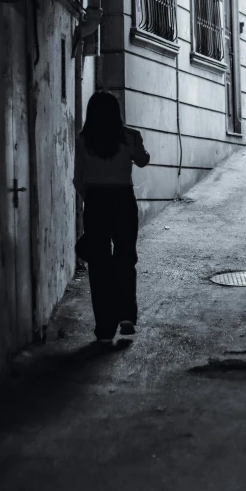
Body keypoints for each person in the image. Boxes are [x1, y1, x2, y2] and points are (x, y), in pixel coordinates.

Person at [73, 90, 150, 342]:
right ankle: (126, 316)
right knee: (125, 257)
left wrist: (91, 200)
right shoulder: (129, 136)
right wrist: (137, 145)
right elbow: (143, 161)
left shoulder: (84, 140)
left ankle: (104, 328)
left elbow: (78, 179)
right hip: (122, 200)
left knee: (99, 264)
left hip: (96, 202)